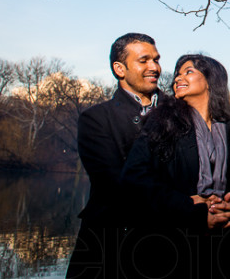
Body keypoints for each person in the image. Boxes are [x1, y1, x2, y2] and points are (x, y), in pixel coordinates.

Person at [119, 54, 230, 279]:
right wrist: (188, 207)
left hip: (223, 248)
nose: (178, 78)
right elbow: (134, 179)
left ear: (210, 80)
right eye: (177, 74)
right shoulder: (162, 121)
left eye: (188, 72)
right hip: (169, 244)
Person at [66, 33, 163, 279]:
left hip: (173, 248)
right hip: (112, 249)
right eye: (144, 60)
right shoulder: (96, 119)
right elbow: (115, 185)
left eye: (156, 59)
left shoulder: (183, 115)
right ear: (120, 69)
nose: (154, 67)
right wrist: (186, 203)